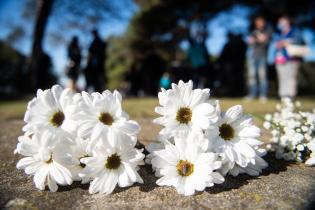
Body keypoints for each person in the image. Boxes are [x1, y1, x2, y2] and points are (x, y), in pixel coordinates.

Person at [272, 16, 304, 99]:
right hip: (281, 59)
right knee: (282, 77)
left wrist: (287, 42)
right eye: (279, 22)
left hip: (293, 59)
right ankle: (283, 95)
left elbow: (299, 41)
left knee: (291, 77)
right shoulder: (279, 34)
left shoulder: (295, 31)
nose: (280, 24)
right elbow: (276, 45)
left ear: (288, 22)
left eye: (282, 22)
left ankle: (290, 96)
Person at [246, 16, 272, 101]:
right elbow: (250, 42)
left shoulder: (267, 31)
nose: (259, 24)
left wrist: (259, 40)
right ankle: (252, 95)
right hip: (252, 56)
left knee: (262, 76)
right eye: (257, 22)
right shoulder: (252, 32)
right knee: (251, 76)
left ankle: (263, 95)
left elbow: (265, 42)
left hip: (262, 56)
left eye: (261, 22)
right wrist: (255, 40)